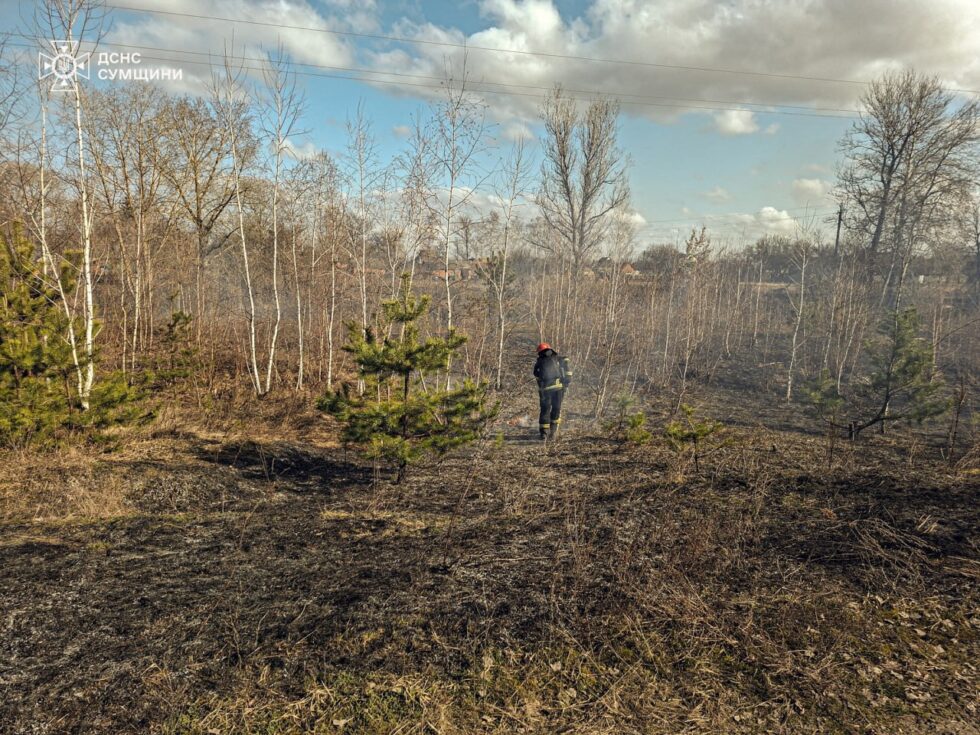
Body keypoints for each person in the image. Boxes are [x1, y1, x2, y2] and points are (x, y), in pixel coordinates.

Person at [533, 343, 572, 440]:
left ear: (540, 352)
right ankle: (553, 433)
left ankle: (543, 433)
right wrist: (565, 384)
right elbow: (568, 373)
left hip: (545, 390)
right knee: (556, 409)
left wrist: (541, 388)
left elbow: (536, 374)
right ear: (550, 349)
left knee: (545, 410)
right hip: (558, 389)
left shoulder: (539, 361)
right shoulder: (558, 358)